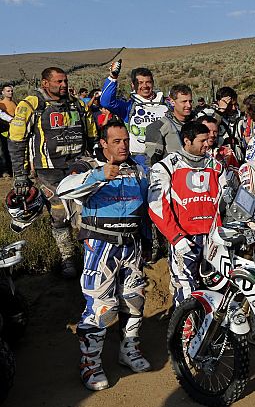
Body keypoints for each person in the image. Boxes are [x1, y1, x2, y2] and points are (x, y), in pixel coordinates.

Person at [56, 120, 151, 390]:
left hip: (131, 244)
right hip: (99, 245)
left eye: (125, 140)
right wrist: (98, 176)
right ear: (104, 143)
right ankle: (90, 363)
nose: (123, 146)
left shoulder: (138, 168)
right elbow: (64, 189)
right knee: (100, 307)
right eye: (117, 141)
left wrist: (147, 241)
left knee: (134, 301)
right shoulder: (87, 166)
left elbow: (147, 206)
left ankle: (128, 350)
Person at [9, 67, 98, 278]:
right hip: (48, 170)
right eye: (59, 81)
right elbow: (16, 141)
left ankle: (91, 258)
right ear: (45, 83)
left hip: (79, 167)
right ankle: (67, 258)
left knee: (85, 214)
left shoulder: (77, 104)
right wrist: (20, 175)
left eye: (65, 81)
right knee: (59, 215)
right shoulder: (32, 105)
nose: (64, 85)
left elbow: (93, 133)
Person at [148, 121, 225, 306]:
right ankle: (185, 333)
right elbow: (157, 206)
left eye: (208, 140)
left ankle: (212, 332)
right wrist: (176, 238)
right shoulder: (166, 166)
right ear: (187, 141)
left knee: (218, 291)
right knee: (186, 290)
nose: (207, 144)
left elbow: (227, 201)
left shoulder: (216, 166)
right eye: (202, 141)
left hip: (215, 239)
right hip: (185, 239)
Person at [100, 66, 170, 168]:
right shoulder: (129, 107)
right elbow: (106, 102)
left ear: (153, 83)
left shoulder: (166, 105)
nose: (145, 86)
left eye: (148, 82)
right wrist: (113, 77)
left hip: (165, 157)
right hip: (139, 159)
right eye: (140, 83)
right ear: (133, 85)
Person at [143, 83, 193, 168]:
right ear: (172, 102)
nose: (188, 105)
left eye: (190, 101)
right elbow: (152, 160)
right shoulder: (159, 126)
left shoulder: (197, 122)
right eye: (184, 102)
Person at [0, 83, 16, 178]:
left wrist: (13, 121)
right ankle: (5, 170)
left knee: (7, 151)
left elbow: (2, 114)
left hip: (13, 130)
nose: (10, 93)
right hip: (5, 130)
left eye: (11, 91)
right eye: (8, 91)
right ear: (3, 92)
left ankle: (8, 170)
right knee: (3, 151)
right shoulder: (2, 104)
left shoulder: (14, 103)